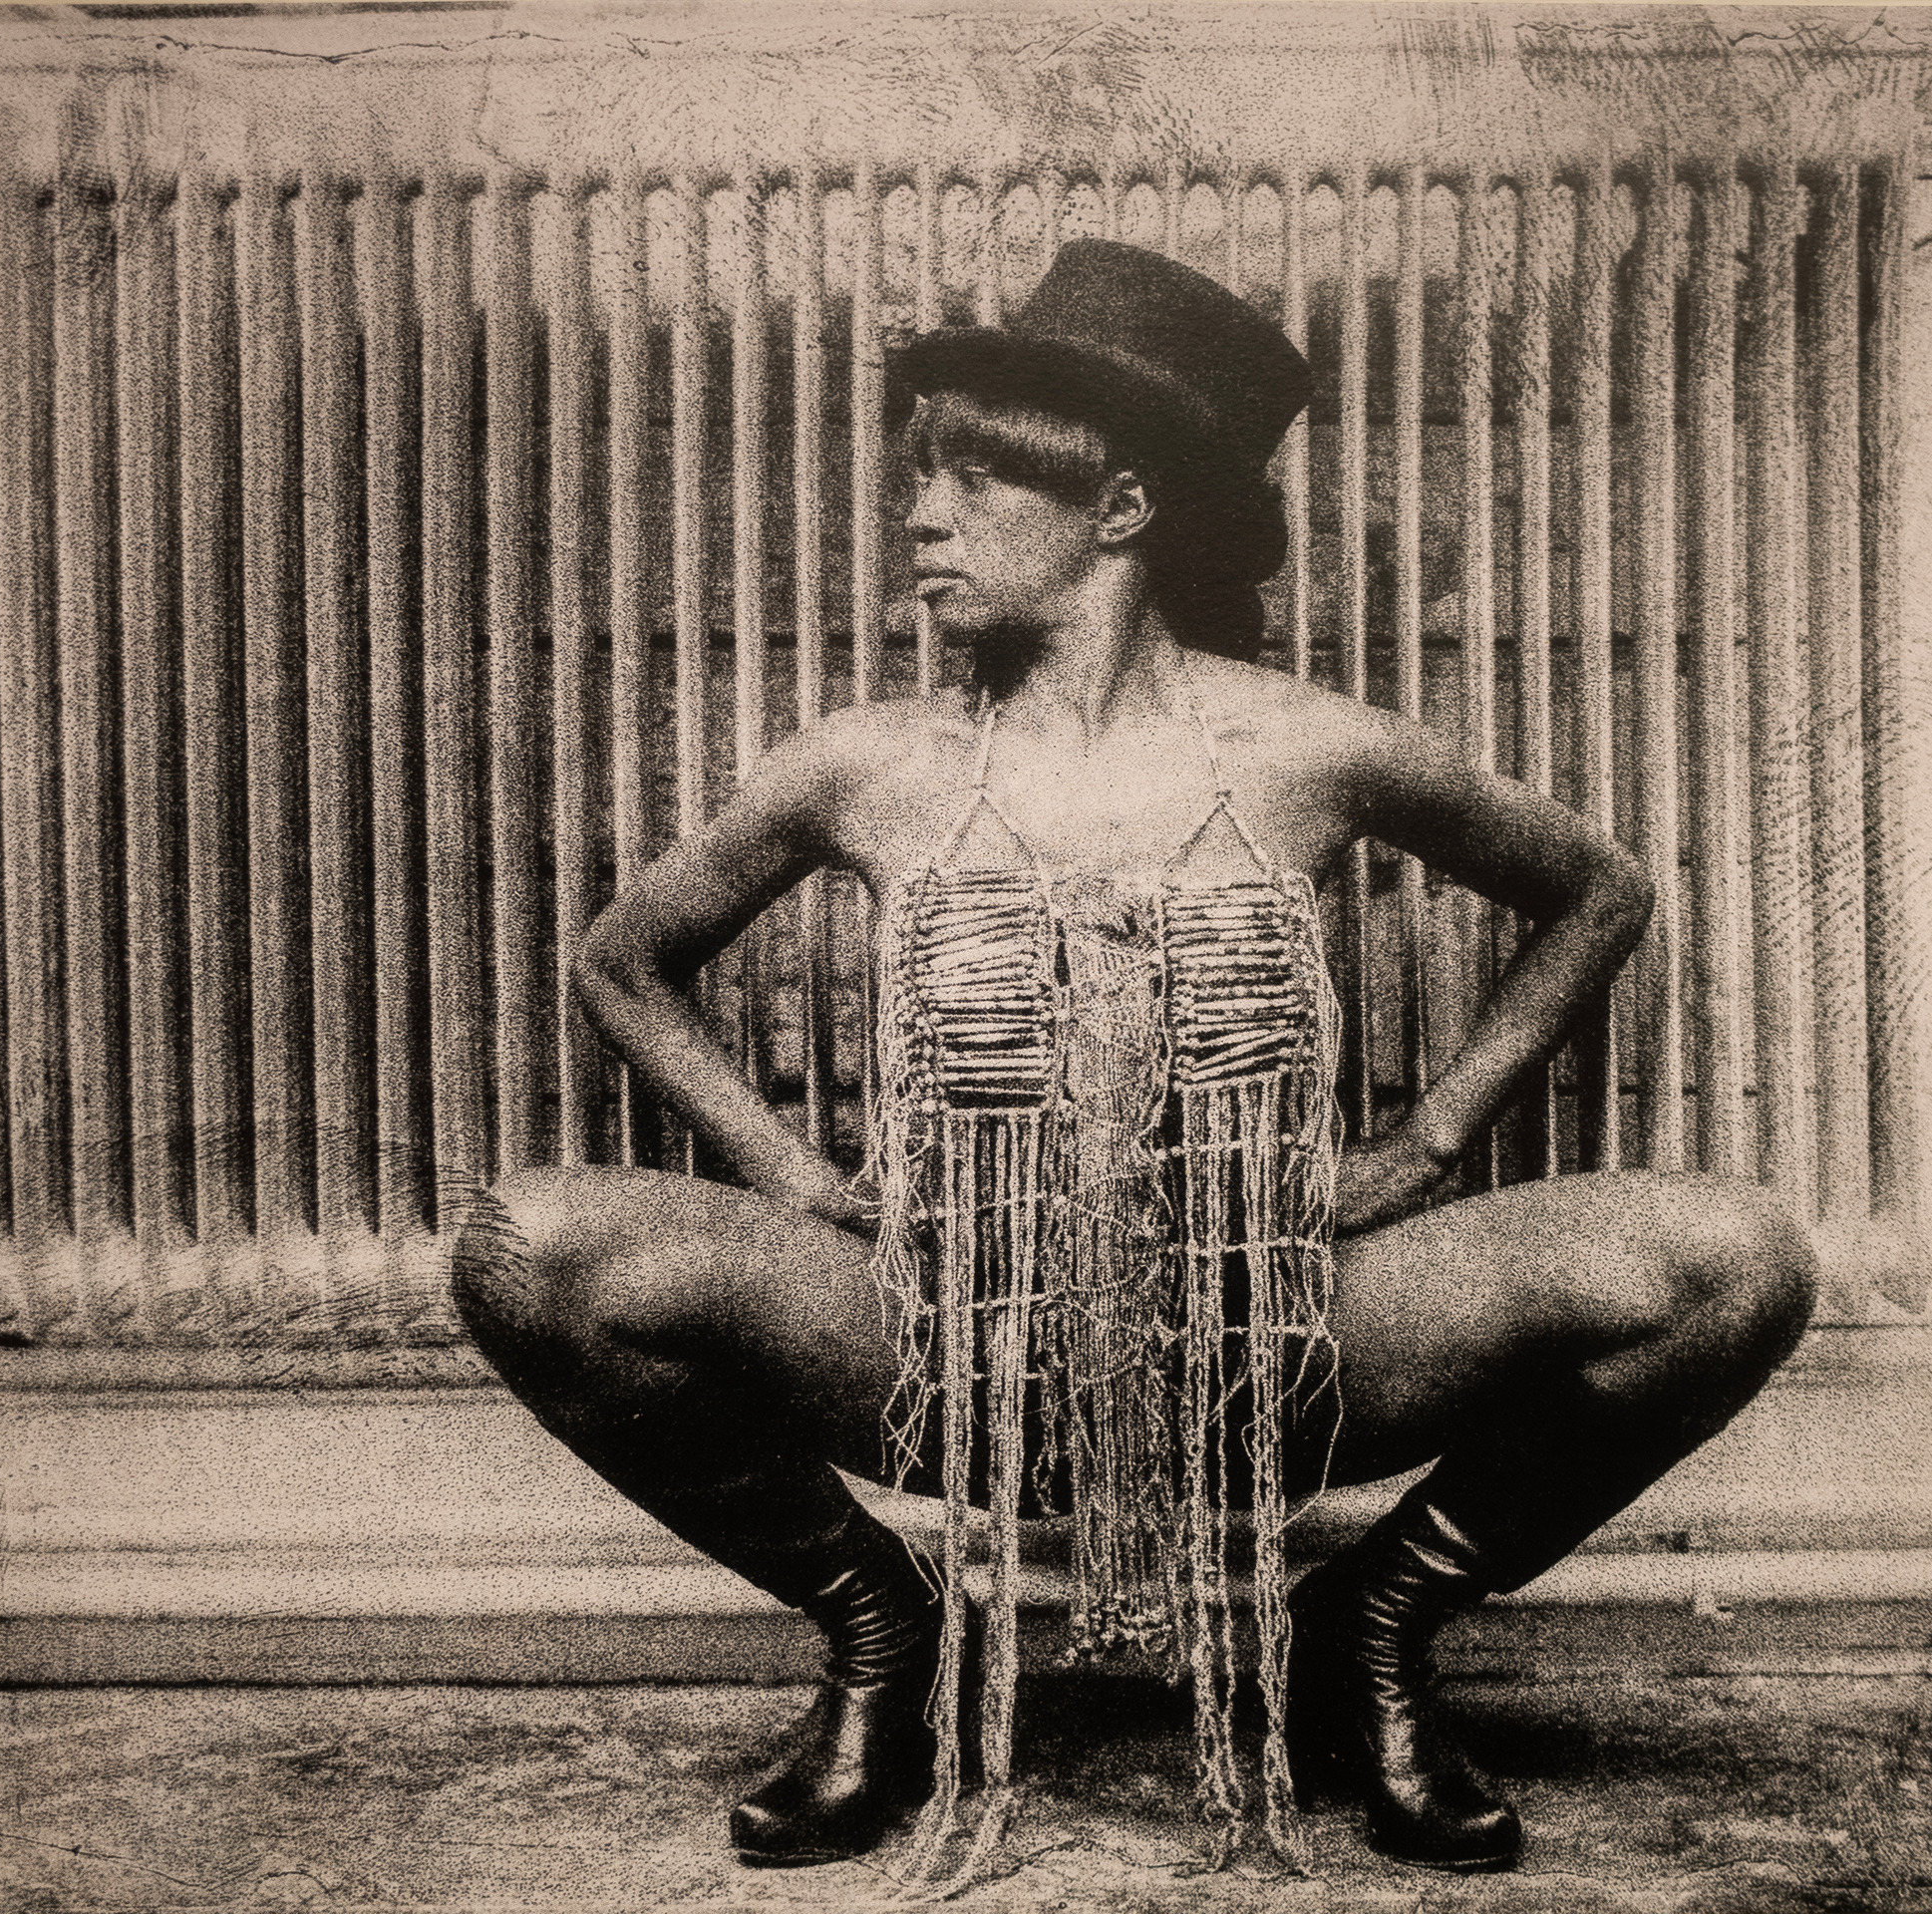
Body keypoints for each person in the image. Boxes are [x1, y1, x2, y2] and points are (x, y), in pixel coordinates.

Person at [448, 238, 1816, 1880]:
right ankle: (884, 1635)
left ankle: (1370, 1628)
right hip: (948, 1355)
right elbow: (620, 961)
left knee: (1733, 1258)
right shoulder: (864, 765)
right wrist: (789, 1173)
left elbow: (1598, 892)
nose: (920, 517)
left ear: (1120, 509)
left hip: (1277, 1351)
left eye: (972, 480)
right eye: (921, 478)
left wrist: (1425, 1146)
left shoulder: (1309, 746)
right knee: (529, 1246)